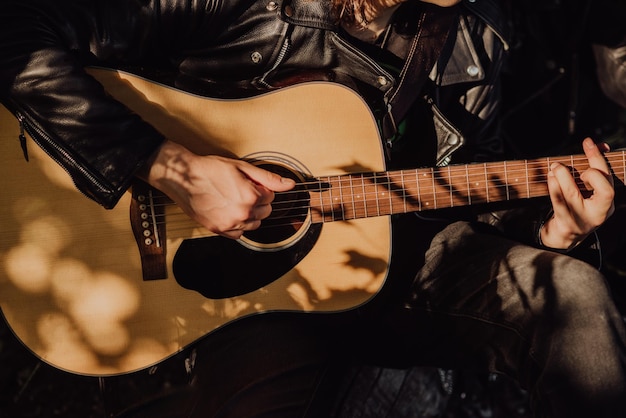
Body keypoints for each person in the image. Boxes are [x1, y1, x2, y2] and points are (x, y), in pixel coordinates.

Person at [0, 0, 624, 417]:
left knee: (575, 297)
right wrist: (175, 169)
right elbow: (17, 31)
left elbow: (457, 203)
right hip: (239, 293)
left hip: (396, 263)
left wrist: (555, 229)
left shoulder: (481, 39)